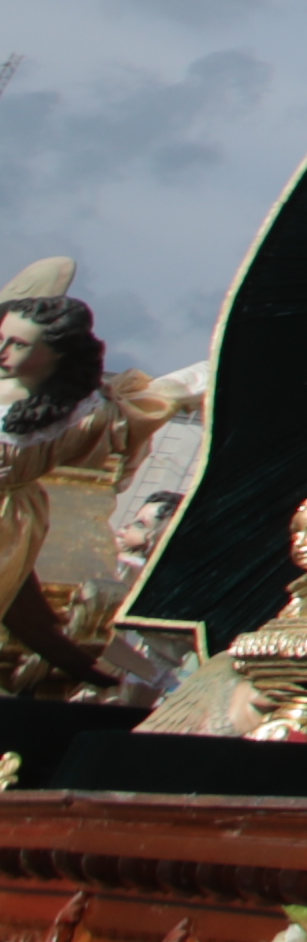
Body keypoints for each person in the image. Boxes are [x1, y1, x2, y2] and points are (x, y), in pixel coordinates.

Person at [0, 285, 180, 695]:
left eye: (19, 344)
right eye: (2, 339)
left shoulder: (88, 411)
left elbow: (160, 402)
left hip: (10, 522)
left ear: (58, 354)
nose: (4, 351)